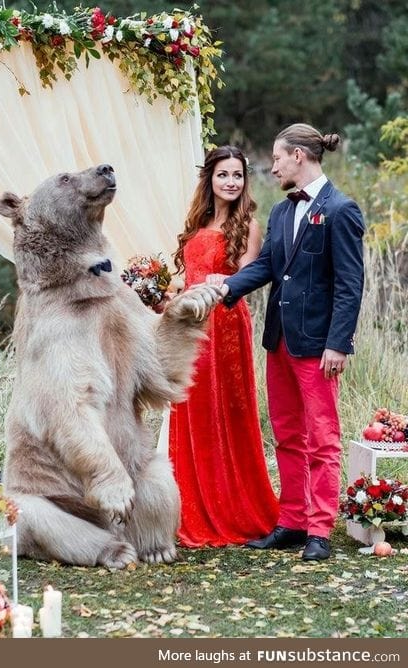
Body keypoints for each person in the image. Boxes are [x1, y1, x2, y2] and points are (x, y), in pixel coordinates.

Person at [216, 124, 365, 561]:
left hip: (320, 346)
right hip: (279, 341)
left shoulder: (341, 210)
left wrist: (338, 343)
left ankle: (320, 531)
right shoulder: (281, 213)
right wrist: (225, 290)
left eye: (278, 157)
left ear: (299, 156)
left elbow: (350, 285)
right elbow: (265, 267)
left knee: (322, 438)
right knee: (286, 434)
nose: (273, 165)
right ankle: (293, 522)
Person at [169, 145, 279, 548]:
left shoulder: (248, 224)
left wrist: (215, 285)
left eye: (237, 176)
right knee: (190, 406)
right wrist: (162, 289)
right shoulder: (196, 222)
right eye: (223, 175)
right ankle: (189, 502)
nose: (231, 182)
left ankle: (232, 505)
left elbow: (248, 274)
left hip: (225, 322)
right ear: (210, 180)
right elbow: (187, 276)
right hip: (189, 322)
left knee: (225, 410)